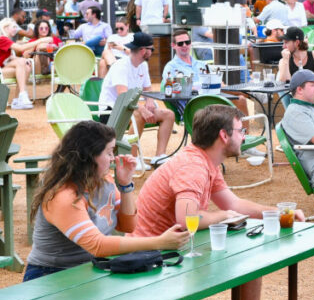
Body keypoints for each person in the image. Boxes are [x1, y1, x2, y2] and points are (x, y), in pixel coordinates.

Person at [112, 105, 304, 300]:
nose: (244, 136)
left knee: (250, 264)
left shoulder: (207, 161)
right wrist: (222, 217)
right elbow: (188, 217)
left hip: (174, 248)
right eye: (240, 130)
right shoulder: (193, 165)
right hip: (152, 255)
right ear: (224, 136)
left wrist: (277, 212)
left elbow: (233, 204)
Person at [23, 121, 189, 282]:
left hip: (92, 267)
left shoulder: (104, 180)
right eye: (109, 152)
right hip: (51, 276)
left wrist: (125, 186)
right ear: (90, 155)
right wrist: (158, 242)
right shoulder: (64, 196)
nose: (113, 158)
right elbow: (98, 245)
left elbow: (127, 225)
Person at [99, 32, 175, 164]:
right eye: (151, 49)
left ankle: (159, 156)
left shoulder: (143, 65)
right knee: (138, 115)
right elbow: (123, 95)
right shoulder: (121, 66)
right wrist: (142, 108)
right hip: (110, 111)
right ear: (143, 51)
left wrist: (150, 102)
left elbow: (147, 89)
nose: (152, 52)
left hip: (129, 107)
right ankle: (132, 159)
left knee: (168, 114)